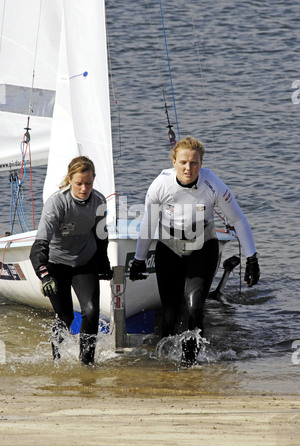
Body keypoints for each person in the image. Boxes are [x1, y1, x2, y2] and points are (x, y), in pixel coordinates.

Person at [129, 136, 260, 364]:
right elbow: (148, 225)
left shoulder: (213, 185)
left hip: (202, 248)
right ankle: (164, 366)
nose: (188, 168)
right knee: (169, 315)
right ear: (174, 162)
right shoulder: (160, 185)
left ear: (201, 163)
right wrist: (139, 259)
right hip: (169, 249)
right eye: (183, 162)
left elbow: (238, 220)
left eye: (194, 163)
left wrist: (252, 258)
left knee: (194, 307)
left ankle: (190, 366)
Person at [30, 156, 113, 365]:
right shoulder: (57, 203)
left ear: (93, 180)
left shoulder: (99, 201)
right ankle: (56, 361)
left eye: (88, 183)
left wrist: (103, 264)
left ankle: (87, 364)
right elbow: (38, 246)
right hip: (56, 265)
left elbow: (101, 236)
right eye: (79, 183)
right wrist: (44, 274)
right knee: (66, 317)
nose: (84, 188)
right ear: (70, 180)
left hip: (84, 263)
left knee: (92, 312)